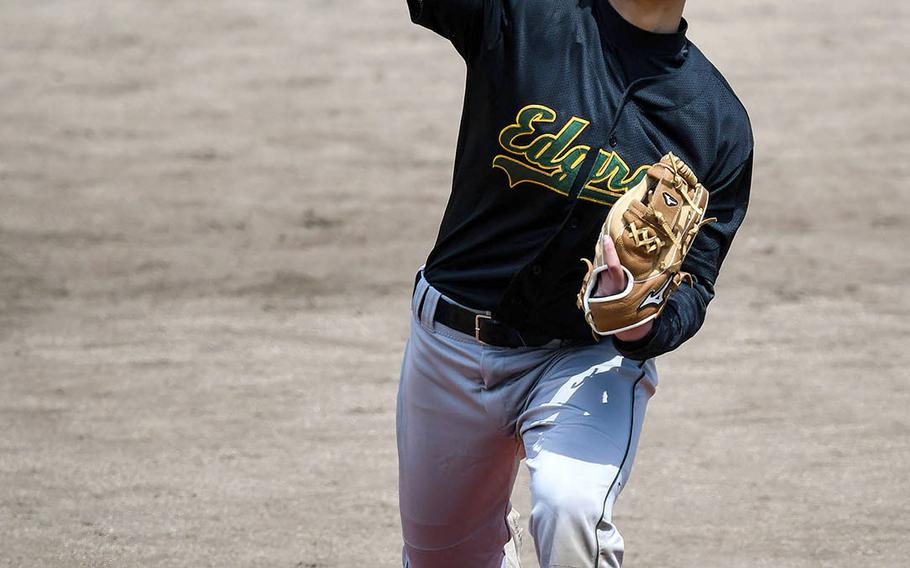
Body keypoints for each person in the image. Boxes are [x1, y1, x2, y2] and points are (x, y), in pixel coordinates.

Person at [396, 0, 753, 566]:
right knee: (443, 556)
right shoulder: (523, 15)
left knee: (570, 508)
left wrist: (643, 321)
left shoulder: (716, 122)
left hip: (587, 359)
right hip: (450, 345)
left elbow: (697, 287)